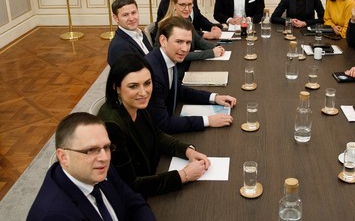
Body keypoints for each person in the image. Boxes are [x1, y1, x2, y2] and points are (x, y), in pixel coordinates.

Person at [98, 54, 211, 197]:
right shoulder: (111, 126)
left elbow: (156, 135)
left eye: (147, 83)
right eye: (133, 86)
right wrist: (184, 175)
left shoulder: (136, 104)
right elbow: (132, 185)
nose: (143, 92)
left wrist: (188, 151)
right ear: (117, 88)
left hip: (154, 173)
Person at [27, 112, 155, 220]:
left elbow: (135, 204)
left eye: (106, 147)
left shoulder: (101, 169)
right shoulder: (54, 216)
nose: (104, 158)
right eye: (91, 150)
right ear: (63, 157)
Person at [145, 16, 236, 133]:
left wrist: (214, 98)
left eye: (188, 43)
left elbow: (178, 90)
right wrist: (207, 120)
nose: (185, 48)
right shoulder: (153, 73)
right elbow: (163, 124)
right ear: (163, 41)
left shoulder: (167, 58)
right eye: (179, 42)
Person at [159, 0, 225, 62]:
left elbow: (198, 40)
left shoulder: (187, 20)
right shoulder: (168, 25)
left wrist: (216, 47)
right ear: (173, 5)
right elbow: (179, 54)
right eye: (182, 5)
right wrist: (211, 53)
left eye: (190, 4)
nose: (187, 9)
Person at [107, 0, 153, 66]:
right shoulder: (118, 47)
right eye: (125, 15)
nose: (131, 18)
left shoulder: (140, 33)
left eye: (134, 13)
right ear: (116, 18)